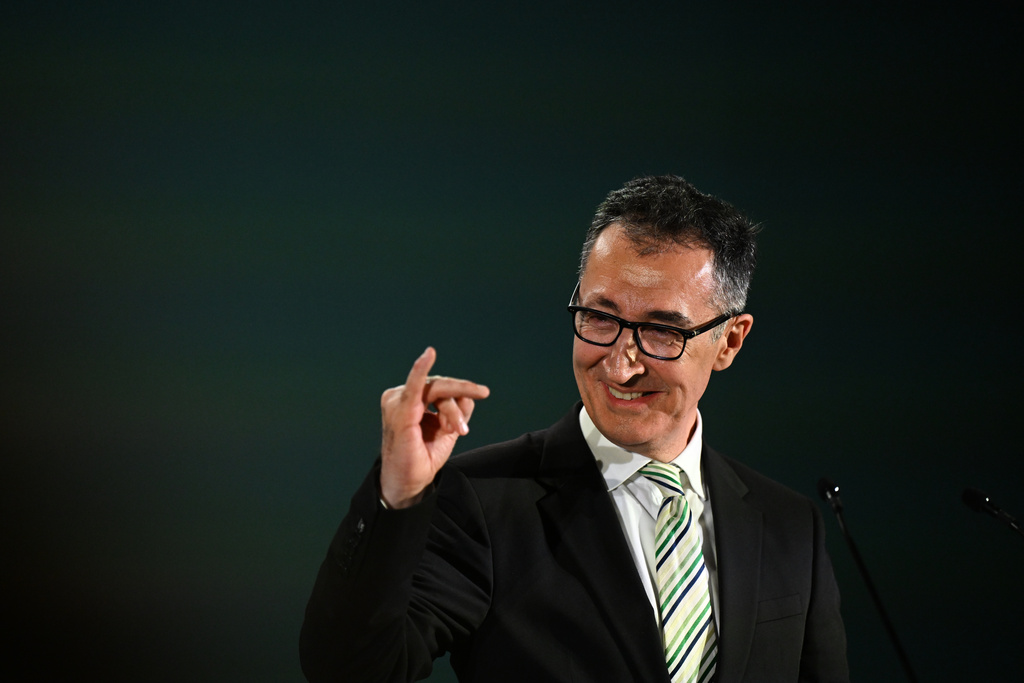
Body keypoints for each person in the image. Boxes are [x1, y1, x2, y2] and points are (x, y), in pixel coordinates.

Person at [300, 175, 849, 683]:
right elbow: (351, 669)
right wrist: (396, 496)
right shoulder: (483, 503)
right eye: (600, 318)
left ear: (729, 341)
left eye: (662, 331)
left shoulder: (790, 526)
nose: (620, 366)